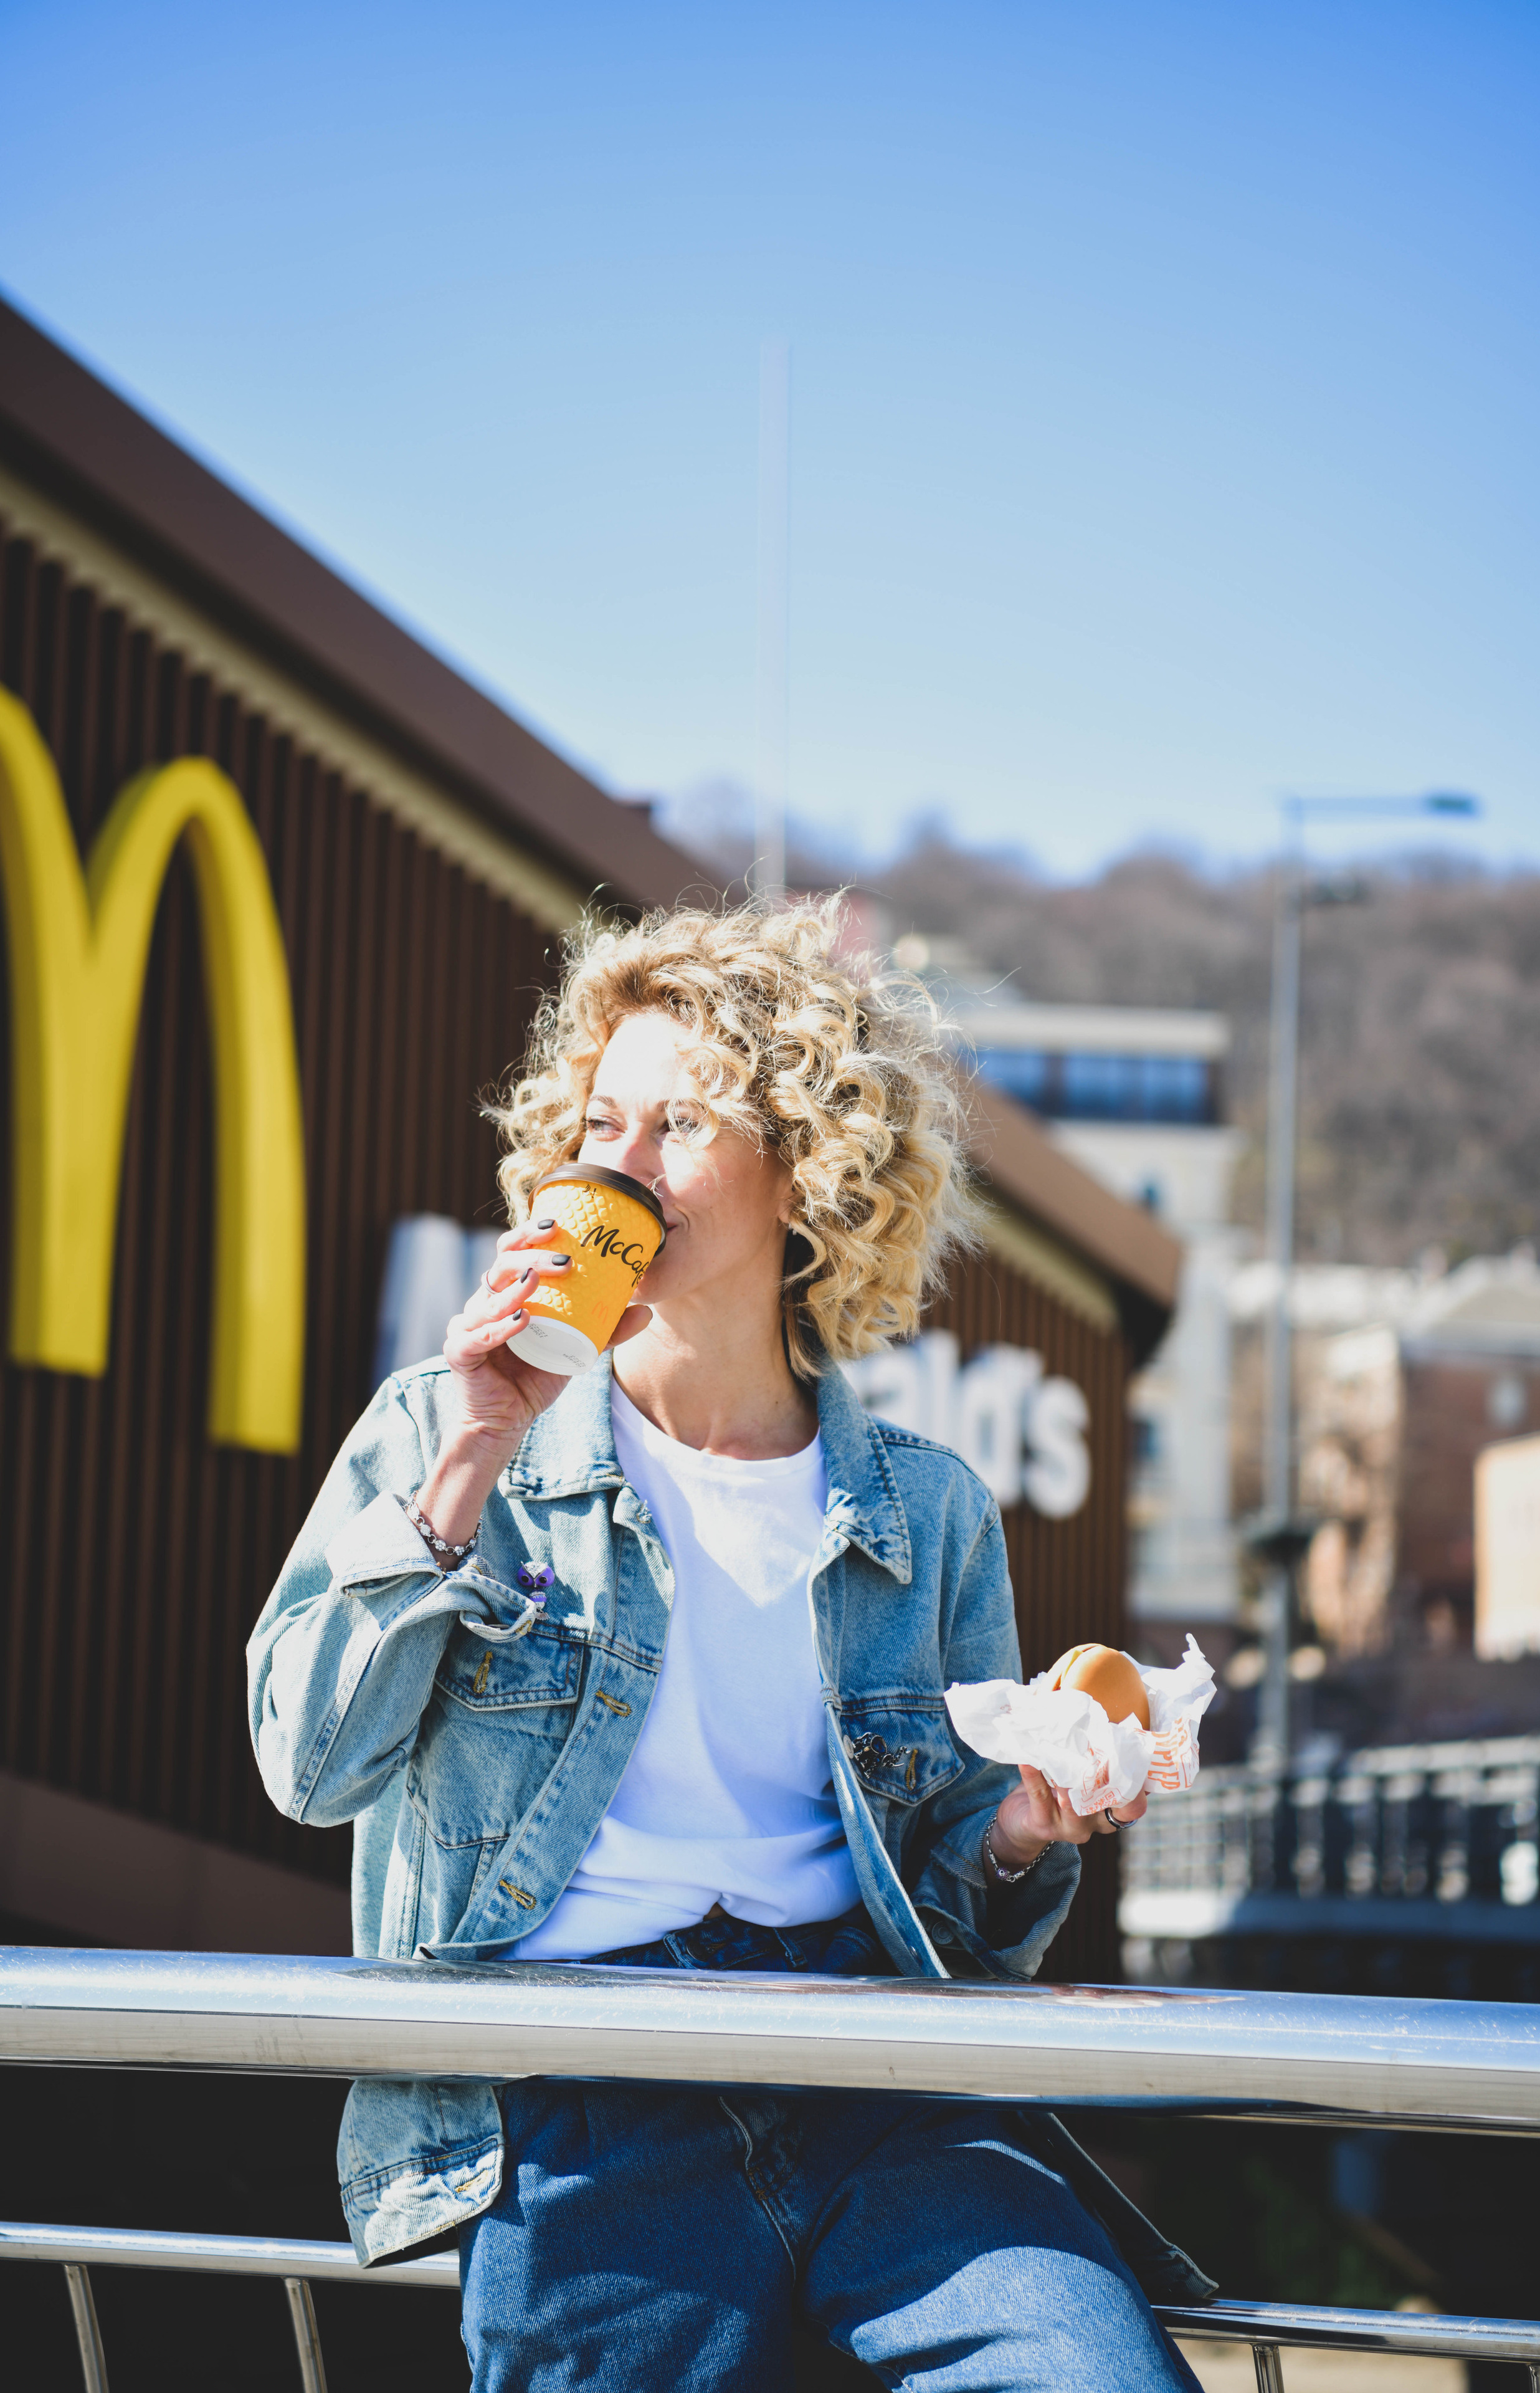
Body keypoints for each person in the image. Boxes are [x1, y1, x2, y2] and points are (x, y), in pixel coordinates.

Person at [248, 900, 1212, 2391]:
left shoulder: (929, 1513)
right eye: (599, 1122)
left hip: (878, 2083)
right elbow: (310, 1770)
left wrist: (1028, 1823)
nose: (617, 1167)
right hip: (585, 2101)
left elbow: (956, 1914)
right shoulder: (441, 1434)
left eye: (680, 1122)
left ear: (806, 1168)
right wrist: (464, 1471)